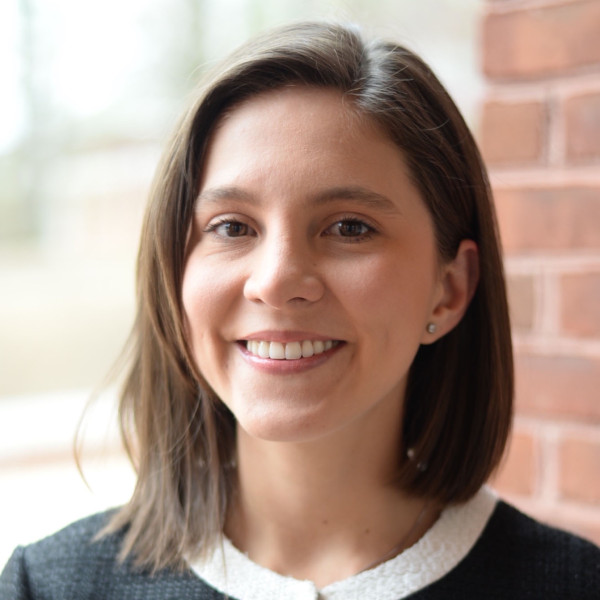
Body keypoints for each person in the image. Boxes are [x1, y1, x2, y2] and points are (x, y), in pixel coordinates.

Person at [1, 21, 598, 600]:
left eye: (348, 227)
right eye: (232, 227)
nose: (278, 280)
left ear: (449, 289)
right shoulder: (43, 586)